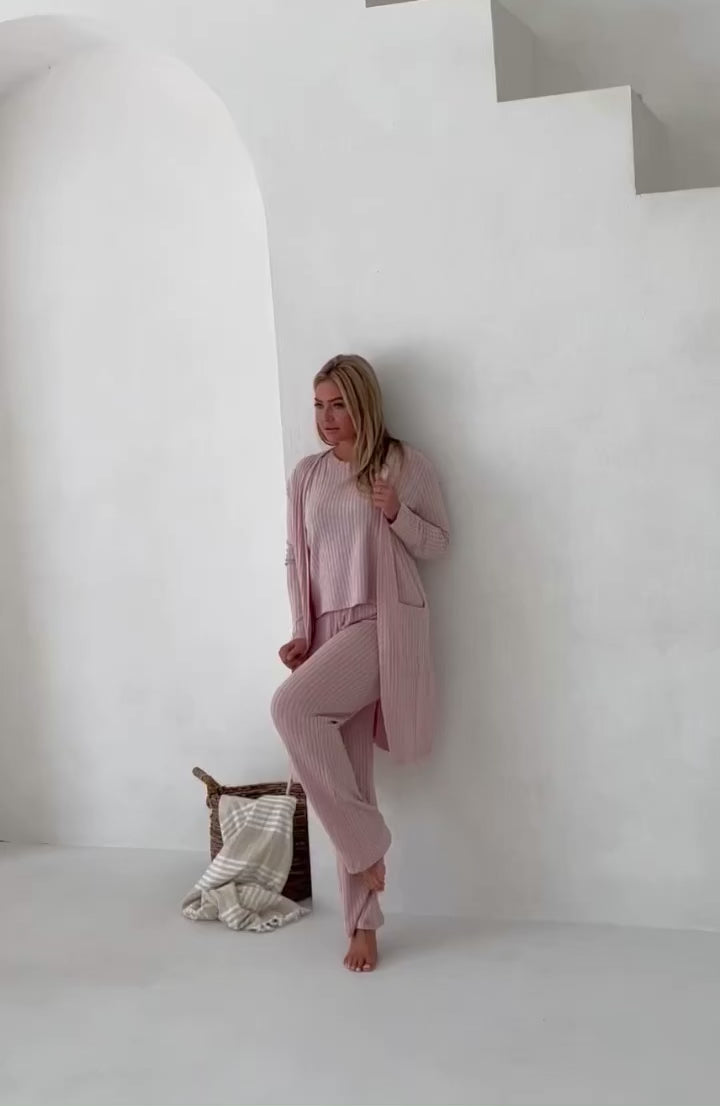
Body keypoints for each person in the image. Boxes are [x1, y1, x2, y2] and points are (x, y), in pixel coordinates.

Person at [271, 354, 449, 972]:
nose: (327, 418)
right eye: (318, 405)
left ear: (363, 403)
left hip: (381, 627)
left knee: (289, 707)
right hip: (326, 630)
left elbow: (440, 542)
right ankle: (362, 925)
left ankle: (367, 844)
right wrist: (301, 631)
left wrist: (396, 511)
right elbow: (297, 557)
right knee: (346, 771)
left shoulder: (401, 464)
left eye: (338, 404)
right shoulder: (307, 475)